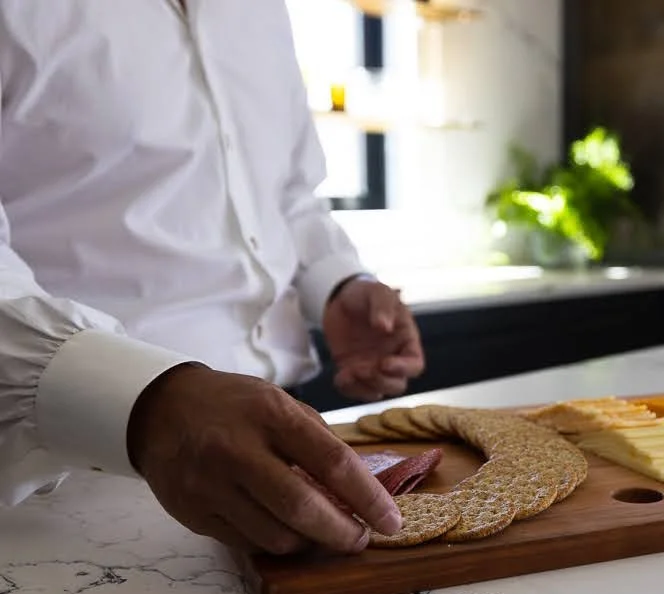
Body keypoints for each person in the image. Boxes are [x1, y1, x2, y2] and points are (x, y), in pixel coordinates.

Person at [0, 1, 423, 553]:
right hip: (59, 481)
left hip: (291, 441)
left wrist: (337, 281)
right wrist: (146, 403)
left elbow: (287, 195)